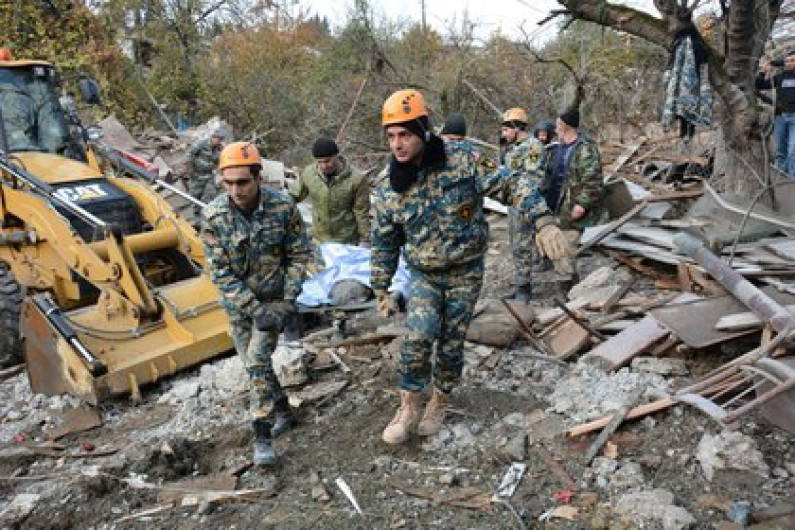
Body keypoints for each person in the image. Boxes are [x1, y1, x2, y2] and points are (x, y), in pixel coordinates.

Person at [371, 89, 570, 445]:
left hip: (465, 271)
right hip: (425, 274)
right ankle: (409, 403)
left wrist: (543, 220)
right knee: (417, 338)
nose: (397, 144)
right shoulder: (389, 184)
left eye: (404, 134)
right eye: (391, 136)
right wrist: (380, 285)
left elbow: (511, 183)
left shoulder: (462, 160)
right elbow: (384, 238)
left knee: (450, 341)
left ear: (422, 130)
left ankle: (440, 400)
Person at [201, 141, 310, 466]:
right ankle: (284, 412)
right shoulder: (214, 217)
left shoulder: (283, 208)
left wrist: (288, 300)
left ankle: (261, 435)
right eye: (229, 182)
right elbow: (219, 272)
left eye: (243, 182)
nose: (236, 189)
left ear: (259, 178)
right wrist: (254, 309)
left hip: (275, 303)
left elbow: (299, 254)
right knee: (253, 366)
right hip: (241, 309)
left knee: (259, 362)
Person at [542, 106, 605, 275]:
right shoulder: (559, 148)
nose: (555, 129)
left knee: (567, 249)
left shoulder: (585, 149)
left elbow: (594, 181)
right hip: (555, 206)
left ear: (565, 125)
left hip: (572, 208)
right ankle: (563, 278)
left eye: (557, 125)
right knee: (556, 246)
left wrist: (582, 204)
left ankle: (569, 287)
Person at [289, 137, 370, 246]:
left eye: (327, 161)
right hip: (319, 241)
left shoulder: (356, 179)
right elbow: (293, 196)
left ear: (336, 156)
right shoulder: (309, 173)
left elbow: (361, 212)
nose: (324, 166)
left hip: (347, 241)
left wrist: (365, 240)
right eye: (319, 162)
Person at [501, 108, 546, 302]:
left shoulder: (533, 146)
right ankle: (521, 282)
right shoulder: (512, 147)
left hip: (526, 203)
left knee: (523, 245)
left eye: (506, 130)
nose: (503, 134)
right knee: (515, 244)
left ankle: (524, 289)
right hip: (513, 203)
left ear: (517, 127)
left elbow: (533, 176)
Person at [757, 51, 795, 177]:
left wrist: (775, 62)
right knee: (781, 150)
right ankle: (782, 178)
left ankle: (791, 179)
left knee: (792, 150)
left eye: (793, 60)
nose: (789, 63)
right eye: (787, 61)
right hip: (780, 117)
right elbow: (759, 84)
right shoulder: (780, 77)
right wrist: (764, 71)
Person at [188, 128, 226, 218]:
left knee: (210, 195)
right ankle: (195, 217)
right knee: (195, 197)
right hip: (197, 175)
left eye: (220, 140)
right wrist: (189, 168)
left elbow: (219, 162)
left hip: (209, 176)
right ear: (212, 137)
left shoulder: (220, 149)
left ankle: (207, 217)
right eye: (217, 139)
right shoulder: (202, 144)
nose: (218, 141)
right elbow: (190, 154)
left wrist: (220, 172)